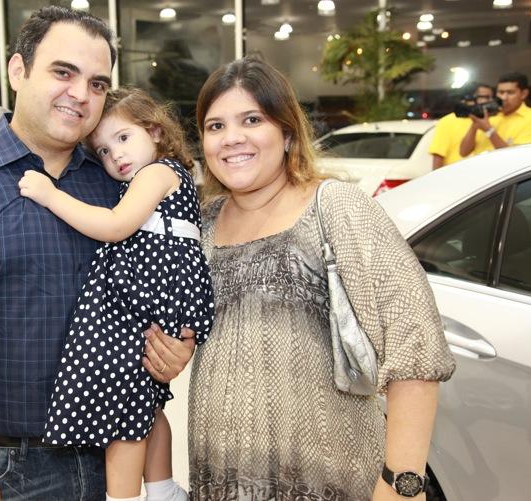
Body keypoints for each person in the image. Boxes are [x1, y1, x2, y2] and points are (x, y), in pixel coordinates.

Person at [0, 6, 196, 501]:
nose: (81, 94)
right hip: (8, 468)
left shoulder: (115, 183)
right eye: (63, 72)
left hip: (116, 455)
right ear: (18, 70)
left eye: (97, 83)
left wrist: (174, 346)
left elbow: (161, 276)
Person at [188, 56, 455, 500]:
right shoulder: (205, 224)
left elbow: (415, 343)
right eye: (216, 126)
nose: (231, 138)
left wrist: (402, 484)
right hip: (220, 477)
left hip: (332, 480)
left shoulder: (335, 207)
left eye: (251, 120)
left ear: (287, 132)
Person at [18, 87, 214, 501]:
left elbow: (115, 226)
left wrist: (51, 195)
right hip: (155, 297)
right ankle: (162, 488)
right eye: (104, 151)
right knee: (146, 404)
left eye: (123, 138)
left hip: (146, 300)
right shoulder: (158, 176)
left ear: (155, 131)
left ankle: (122, 496)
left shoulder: (156, 173)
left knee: (122, 413)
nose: (116, 156)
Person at [459, 72, 531, 157]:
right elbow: (463, 152)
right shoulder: (490, 113)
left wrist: (489, 130)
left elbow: (517, 158)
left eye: (510, 92)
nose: (504, 97)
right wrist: (474, 126)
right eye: (501, 92)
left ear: (524, 94)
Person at [428, 82, 495, 169]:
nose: (491, 101)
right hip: (455, 175)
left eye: (491, 97)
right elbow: (438, 158)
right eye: (486, 97)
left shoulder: (491, 119)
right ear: (470, 98)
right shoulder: (447, 122)